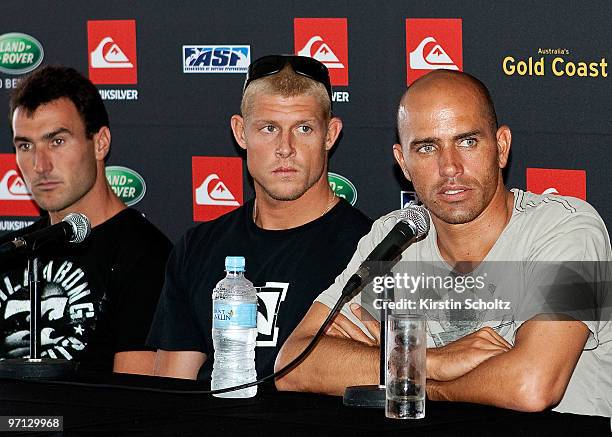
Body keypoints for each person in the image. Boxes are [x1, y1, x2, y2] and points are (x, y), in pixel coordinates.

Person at [275, 69, 612, 417]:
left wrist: (409, 374)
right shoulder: (394, 238)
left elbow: (531, 387)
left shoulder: (569, 229)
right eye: (427, 147)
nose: (450, 167)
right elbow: (294, 363)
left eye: (467, 141)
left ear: (501, 147)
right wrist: (432, 360)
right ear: (403, 162)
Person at [147, 55, 372, 381]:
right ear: (240, 132)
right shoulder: (197, 248)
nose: (285, 148)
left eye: (304, 128)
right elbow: (171, 390)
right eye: (269, 128)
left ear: (330, 134)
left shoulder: (371, 250)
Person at [0, 66, 172, 374]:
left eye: (57, 141)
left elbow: (134, 404)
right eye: (25, 146)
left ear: (100, 143)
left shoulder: (147, 256)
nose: (40, 165)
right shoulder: (12, 251)